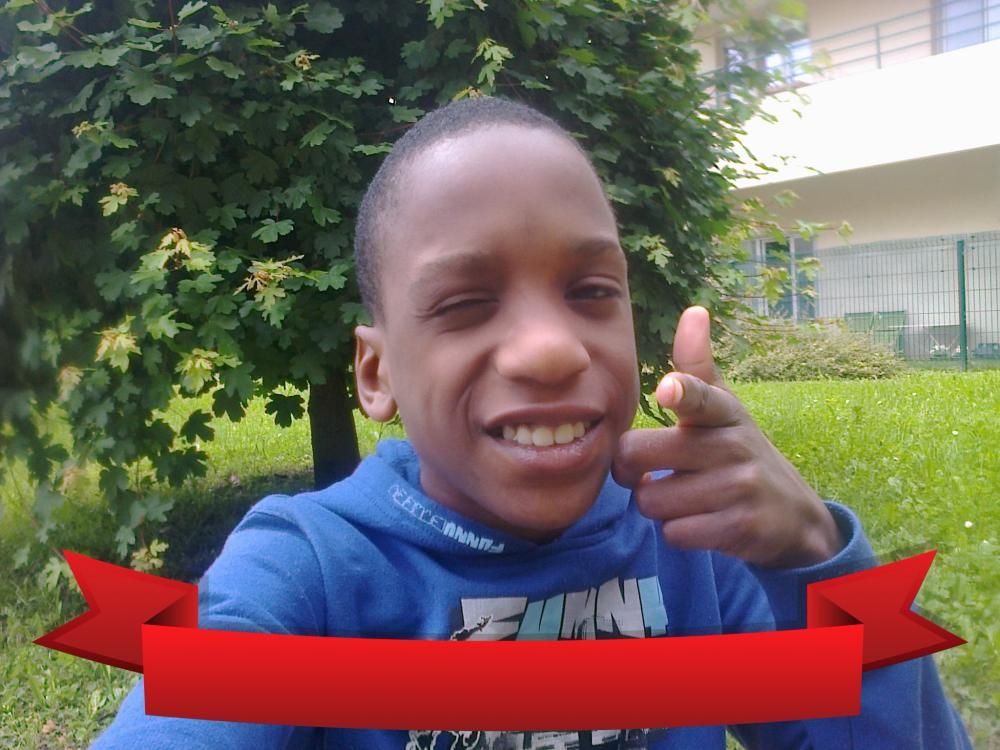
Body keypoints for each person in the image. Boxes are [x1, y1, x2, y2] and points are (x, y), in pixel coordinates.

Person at [90, 96, 971, 749]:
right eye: (465, 303)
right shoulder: (307, 569)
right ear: (376, 372)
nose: (551, 349)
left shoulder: (692, 547)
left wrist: (815, 553)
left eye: (591, 291)